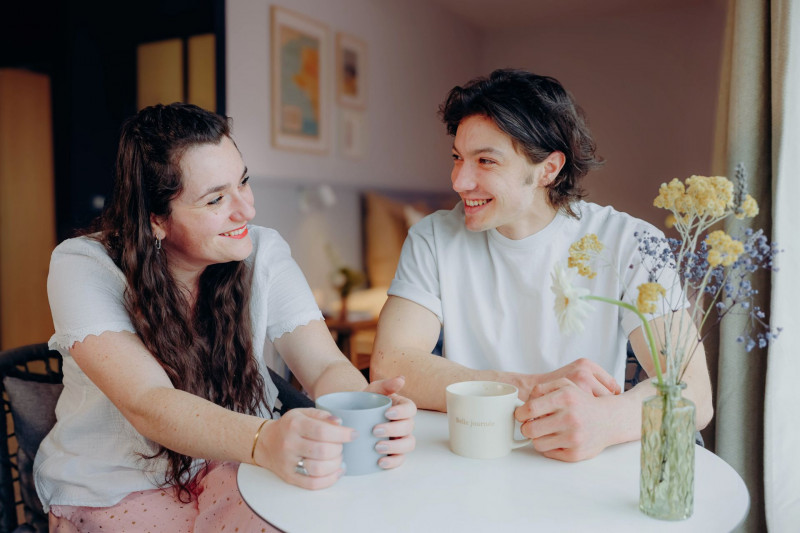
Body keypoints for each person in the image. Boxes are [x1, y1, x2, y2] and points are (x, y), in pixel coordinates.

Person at [36, 103, 416, 532]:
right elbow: (148, 403)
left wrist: (365, 410)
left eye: (244, 182)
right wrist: (263, 439)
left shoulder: (263, 251)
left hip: (233, 465)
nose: (246, 211)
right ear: (156, 218)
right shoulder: (84, 265)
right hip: (117, 481)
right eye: (216, 198)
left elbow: (325, 364)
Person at [370, 69, 712, 462]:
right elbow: (390, 365)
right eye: (458, 158)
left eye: (485, 161)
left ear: (548, 169)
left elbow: (694, 394)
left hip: (580, 463)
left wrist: (606, 421)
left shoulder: (629, 241)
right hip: (471, 457)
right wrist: (529, 387)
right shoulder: (433, 237)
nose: (459, 180)